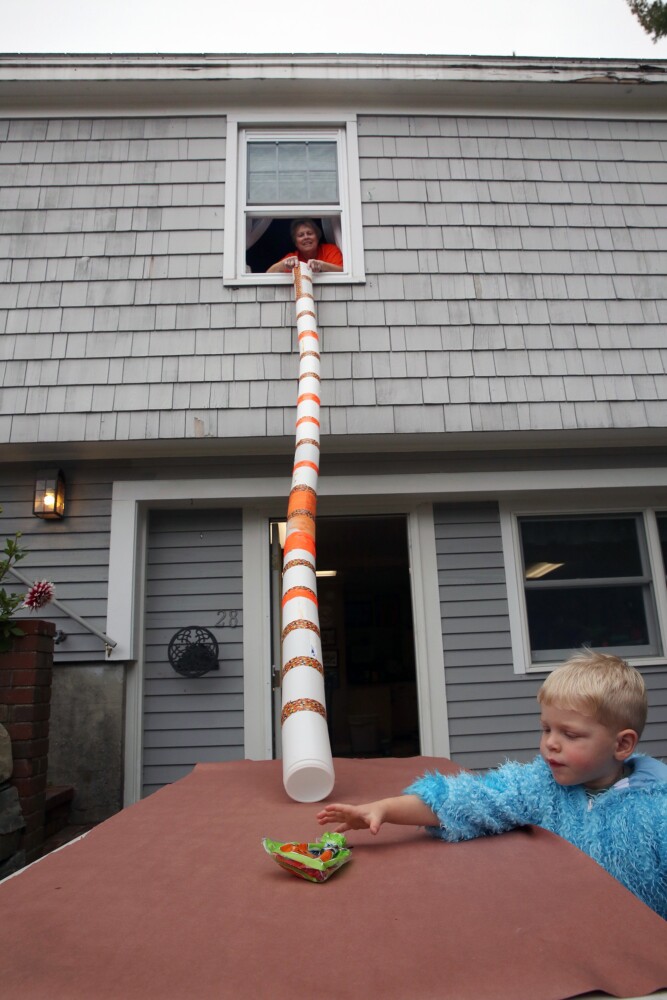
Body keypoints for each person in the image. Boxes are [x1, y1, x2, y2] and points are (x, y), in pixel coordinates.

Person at [317, 650, 667, 920]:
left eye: (570, 734)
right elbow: (467, 798)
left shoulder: (658, 809)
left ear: (622, 745)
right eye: (546, 729)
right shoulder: (538, 784)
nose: (550, 744)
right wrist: (385, 809)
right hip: (558, 942)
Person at [267, 218, 343, 274]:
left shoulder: (330, 250)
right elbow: (268, 274)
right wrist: (283, 265)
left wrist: (322, 266)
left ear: (317, 237)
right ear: (296, 243)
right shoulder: (293, 256)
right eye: (301, 235)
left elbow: (344, 271)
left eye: (309, 233)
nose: (306, 237)